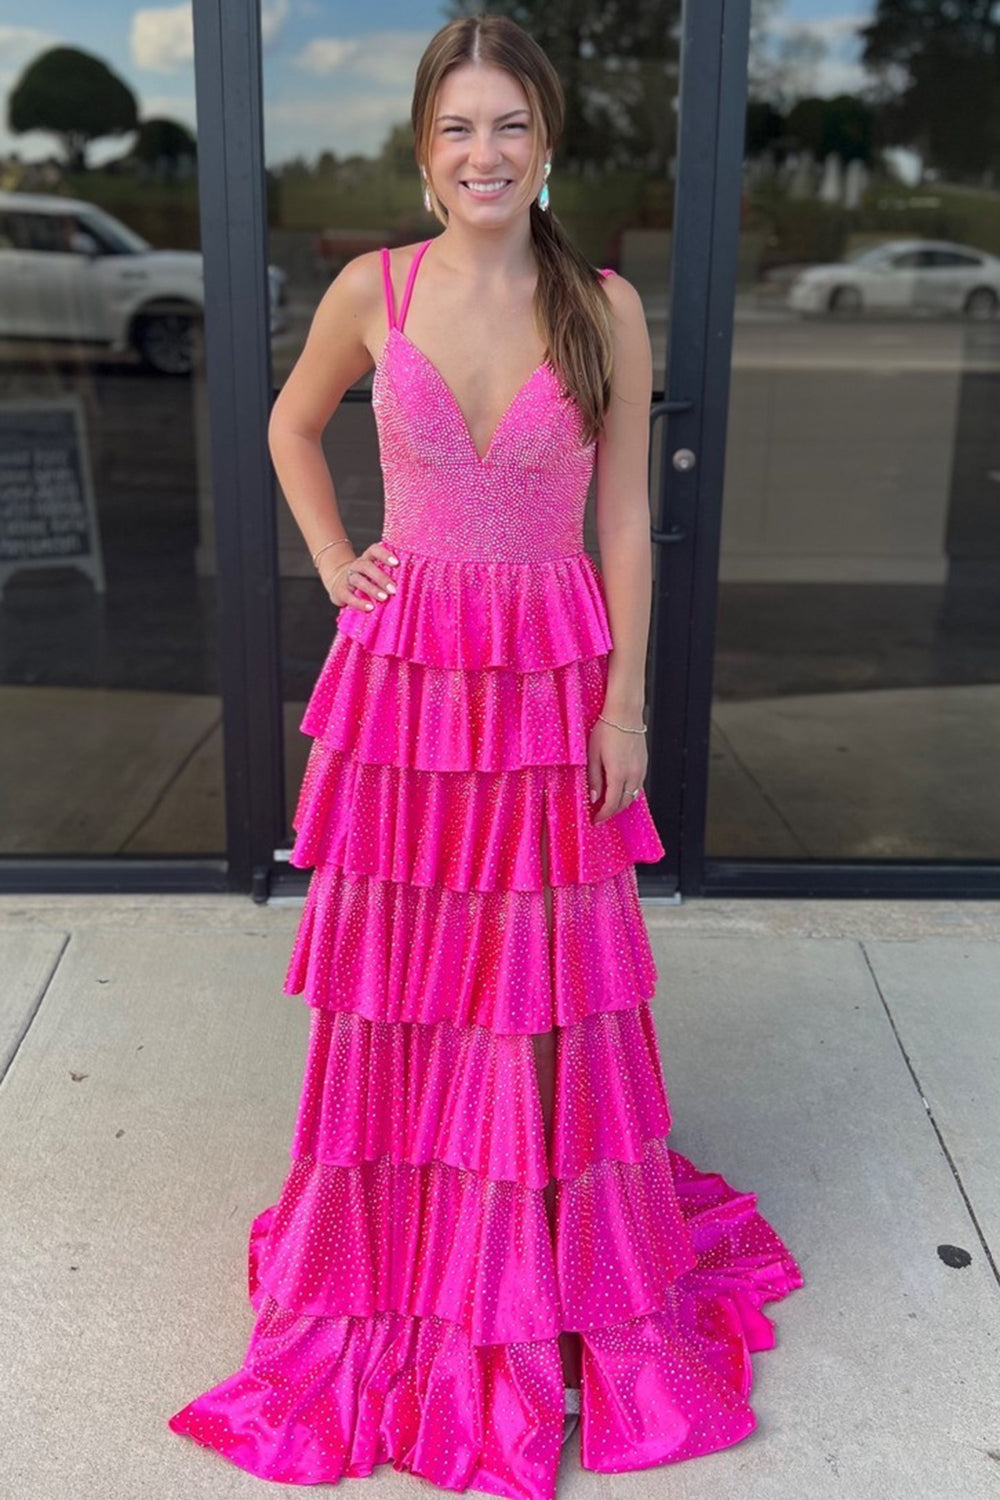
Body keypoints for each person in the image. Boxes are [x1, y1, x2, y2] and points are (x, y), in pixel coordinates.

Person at [168, 13, 803, 1498]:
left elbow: (628, 517)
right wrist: (339, 563)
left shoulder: (603, 306)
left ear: (548, 142)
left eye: (510, 124)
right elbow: (288, 425)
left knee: (540, 977)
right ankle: (408, 1243)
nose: (484, 152)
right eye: (457, 127)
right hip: (406, 685)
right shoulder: (374, 288)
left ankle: (535, 1255)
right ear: (422, 147)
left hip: (548, 682)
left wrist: (626, 706)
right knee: (409, 969)